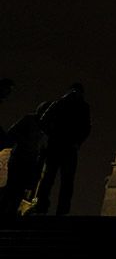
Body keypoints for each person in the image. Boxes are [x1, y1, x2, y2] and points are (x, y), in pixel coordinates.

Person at [33, 83, 91, 215]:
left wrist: (52, 135)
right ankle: (60, 209)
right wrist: (77, 142)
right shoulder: (81, 106)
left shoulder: (60, 103)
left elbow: (43, 121)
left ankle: (44, 207)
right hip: (67, 146)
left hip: (58, 145)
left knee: (51, 178)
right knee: (64, 180)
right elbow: (87, 128)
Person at [0, 108, 46, 218]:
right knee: (12, 190)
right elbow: (12, 134)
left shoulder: (44, 126)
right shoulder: (30, 120)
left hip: (28, 162)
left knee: (17, 191)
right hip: (20, 160)